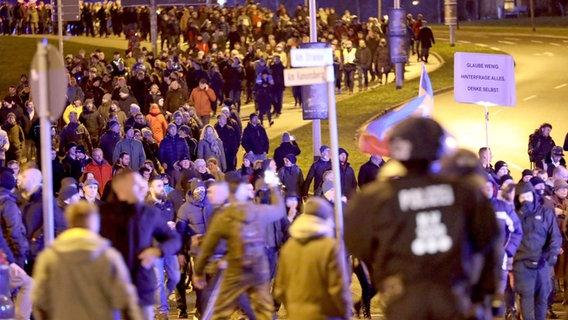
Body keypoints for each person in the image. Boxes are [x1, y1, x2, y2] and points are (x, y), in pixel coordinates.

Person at [345, 117, 501, 319]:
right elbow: (490, 244)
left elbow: (357, 244)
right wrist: (486, 296)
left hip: (403, 301)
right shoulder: (466, 193)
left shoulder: (376, 197)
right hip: (456, 299)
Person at [32, 201, 142, 320]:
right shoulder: (108, 256)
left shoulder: (48, 258)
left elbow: (39, 300)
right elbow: (125, 301)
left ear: (70, 222)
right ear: (95, 222)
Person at [192, 179, 286, 319]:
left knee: (220, 310)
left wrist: (198, 272)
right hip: (258, 269)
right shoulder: (260, 211)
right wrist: (274, 188)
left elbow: (207, 248)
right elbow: (279, 209)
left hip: (235, 269)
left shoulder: (224, 216)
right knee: (262, 311)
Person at [99, 170, 181, 320]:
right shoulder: (102, 214)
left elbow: (174, 239)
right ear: (120, 188)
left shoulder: (148, 213)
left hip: (142, 286)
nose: (143, 188)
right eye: (137, 185)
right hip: (111, 287)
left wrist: (157, 251)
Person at [274, 197, 351, 320]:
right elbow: (339, 289)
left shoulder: (289, 247)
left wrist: (294, 309)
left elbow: (280, 288)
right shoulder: (330, 247)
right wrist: (345, 314)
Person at [513, 182, 562, 320]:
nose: (526, 199)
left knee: (542, 297)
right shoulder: (514, 216)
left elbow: (555, 236)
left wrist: (553, 253)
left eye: (528, 195)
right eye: (522, 196)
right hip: (522, 263)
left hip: (543, 261)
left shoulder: (545, 213)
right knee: (526, 295)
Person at [146, 177, 179, 320]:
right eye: (158, 186)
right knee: (158, 280)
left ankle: (159, 300)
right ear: (150, 189)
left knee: (175, 277)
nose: (162, 188)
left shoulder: (169, 204)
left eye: (163, 185)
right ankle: (162, 310)